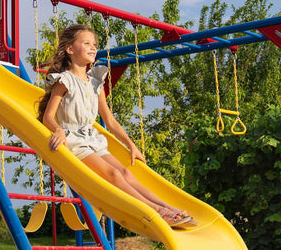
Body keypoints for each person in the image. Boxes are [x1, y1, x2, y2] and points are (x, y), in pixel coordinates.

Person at [37, 24, 196, 228]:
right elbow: (48, 117)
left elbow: (109, 120)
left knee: (125, 172)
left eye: (94, 44)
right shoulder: (64, 80)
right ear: (70, 49)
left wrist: (131, 145)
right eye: (86, 43)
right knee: (113, 175)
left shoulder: (95, 82)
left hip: (92, 139)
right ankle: (156, 211)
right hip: (74, 141)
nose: (93, 47)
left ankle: (168, 207)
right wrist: (58, 129)